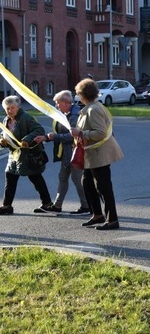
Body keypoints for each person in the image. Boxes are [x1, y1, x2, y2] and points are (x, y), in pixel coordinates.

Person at [71, 79, 124, 230]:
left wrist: (81, 133)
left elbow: (100, 133)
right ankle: (97, 214)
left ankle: (112, 219)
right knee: (87, 183)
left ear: (82, 94)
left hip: (99, 154)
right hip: (92, 154)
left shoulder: (93, 109)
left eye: (78, 93)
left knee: (103, 187)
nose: (77, 96)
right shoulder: (91, 107)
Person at [32, 90, 89, 214]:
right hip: (66, 153)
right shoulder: (64, 114)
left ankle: (87, 205)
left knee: (77, 179)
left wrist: (53, 137)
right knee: (63, 177)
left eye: (58, 103)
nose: (56, 106)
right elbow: (59, 133)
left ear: (65, 102)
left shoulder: (74, 116)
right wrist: (47, 137)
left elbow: (73, 136)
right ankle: (57, 205)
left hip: (74, 153)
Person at [0, 96, 54, 215]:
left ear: (18, 107)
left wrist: (27, 139)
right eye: (7, 108)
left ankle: (47, 203)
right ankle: (7, 206)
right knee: (10, 177)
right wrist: (2, 141)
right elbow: (4, 134)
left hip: (28, 155)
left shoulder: (26, 117)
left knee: (36, 178)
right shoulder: (6, 120)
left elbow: (39, 130)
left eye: (12, 108)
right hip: (14, 156)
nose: (9, 111)